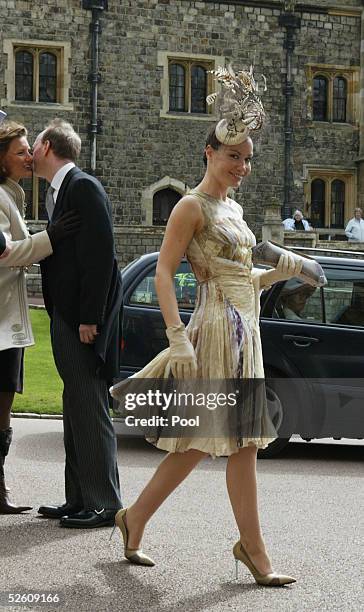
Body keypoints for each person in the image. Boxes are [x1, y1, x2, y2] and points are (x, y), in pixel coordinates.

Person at [110, 67, 303, 585]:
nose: (241, 165)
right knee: (225, 441)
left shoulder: (235, 209)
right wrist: (177, 337)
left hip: (246, 328)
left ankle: (138, 519)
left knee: (213, 441)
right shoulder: (190, 207)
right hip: (214, 330)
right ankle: (253, 551)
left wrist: (277, 273)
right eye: (233, 155)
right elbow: (164, 273)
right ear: (210, 153)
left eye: (246, 158)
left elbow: (241, 279)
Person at [32, 119, 122, 528]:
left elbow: (101, 257)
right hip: (65, 315)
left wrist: (90, 317)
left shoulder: (83, 187)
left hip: (81, 321)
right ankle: (78, 498)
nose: (29, 153)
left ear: (48, 147)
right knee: (75, 406)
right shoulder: (60, 192)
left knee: (89, 405)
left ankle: (104, 504)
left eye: (33, 145)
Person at [0, 120, 78, 514]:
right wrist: (52, 238)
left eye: (30, 149)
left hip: (8, 322)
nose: (29, 156)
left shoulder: (11, 194)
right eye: (20, 151)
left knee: (4, 404)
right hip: (0, 321)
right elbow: (5, 253)